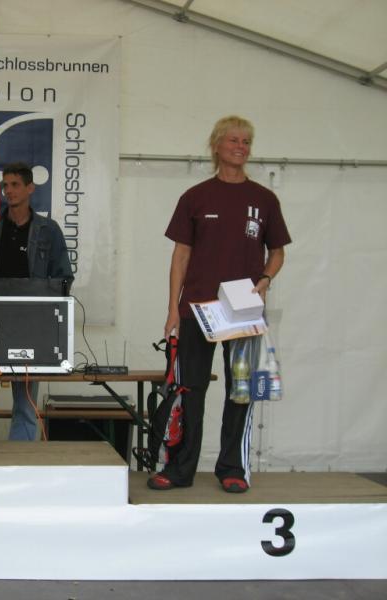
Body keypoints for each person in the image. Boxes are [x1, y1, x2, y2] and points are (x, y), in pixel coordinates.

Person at [150, 115, 291, 494]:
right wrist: (172, 309)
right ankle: (179, 469)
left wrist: (265, 279)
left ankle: (233, 468)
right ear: (216, 145)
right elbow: (180, 256)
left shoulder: (264, 199)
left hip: (243, 311)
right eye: (234, 140)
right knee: (188, 390)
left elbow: (278, 252)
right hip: (197, 309)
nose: (241, 147)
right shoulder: (195, 197)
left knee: (241, 390)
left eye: (246, 141)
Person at [0, 162, 73, 440]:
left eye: (15, 185)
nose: (9, 191)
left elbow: (63, 277)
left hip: (32, 326)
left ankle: (21, 455)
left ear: (30, 188)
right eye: (5, 185)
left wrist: (45, 311)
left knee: (26, 401)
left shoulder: (49, 230)